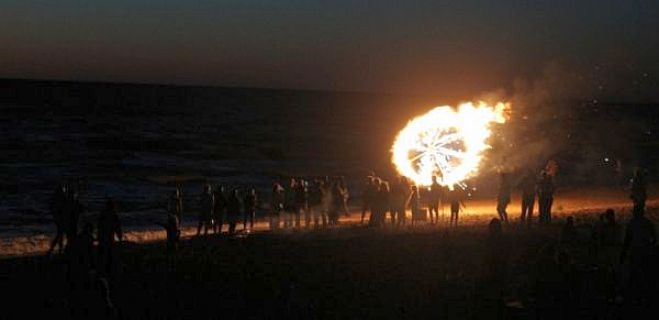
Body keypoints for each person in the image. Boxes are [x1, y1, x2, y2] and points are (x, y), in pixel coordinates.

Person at [619, 207, 657, 302]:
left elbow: (627, 240)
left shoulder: (632, 224)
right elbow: (654, 238)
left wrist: (623, 255)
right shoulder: (647, 223)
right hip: (643, 252)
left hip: (637, 253)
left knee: (637, 274)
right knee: (644, 274)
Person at [97, 198, 122, 276]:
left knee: (103, 252)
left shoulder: (103, 214)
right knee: (109, 252)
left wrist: (98, 236)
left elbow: (99, 226)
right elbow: (117, 227)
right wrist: (119, 236)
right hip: (109, 236)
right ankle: (107, 267)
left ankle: (102, 268)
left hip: (103, 236)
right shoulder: (113, 215)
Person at [48, 183, 68, 256]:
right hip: (61, 219)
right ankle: (57, 250)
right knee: (60, 235)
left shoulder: (56, 199)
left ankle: (56, 250)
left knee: (60, 235)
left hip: (58, 219)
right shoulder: (61, 198)